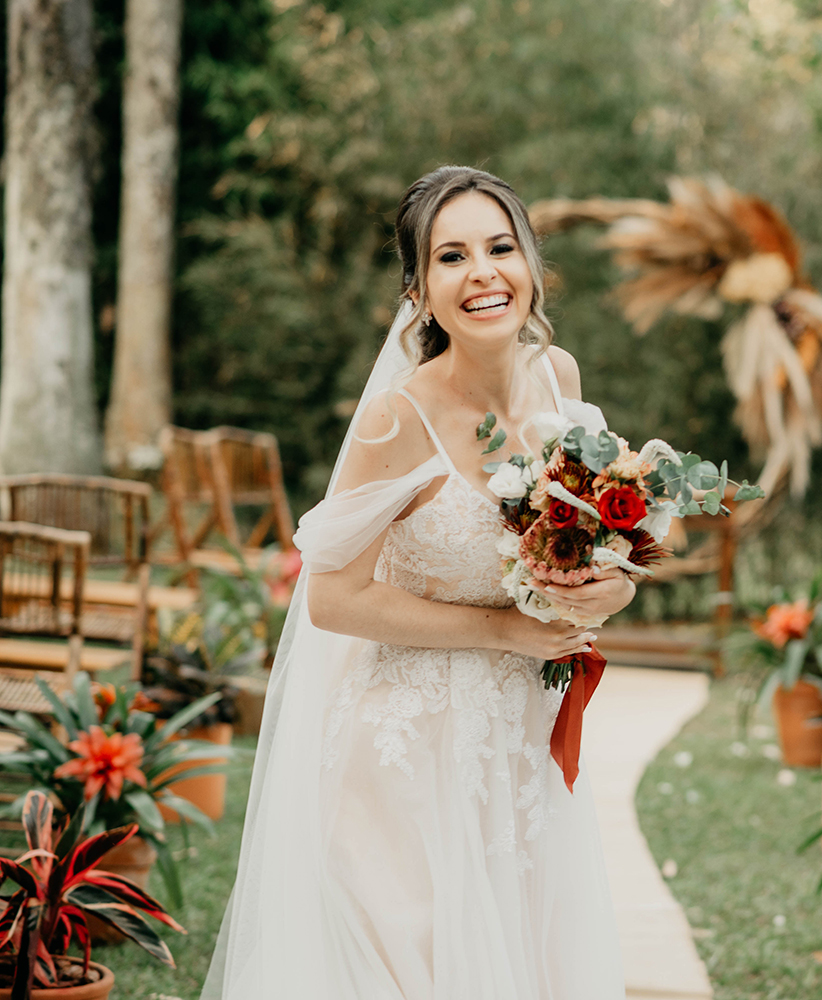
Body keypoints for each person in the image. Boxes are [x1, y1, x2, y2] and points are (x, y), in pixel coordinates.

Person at [203, 166, 629, 1000]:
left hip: (520, 749)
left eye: (501, 247)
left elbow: (595, 555)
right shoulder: (397, 418)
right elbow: (332, 598)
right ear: (419, 290)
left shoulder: (559, 381)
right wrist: (506, 631)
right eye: (452, 256)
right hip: (406, 761)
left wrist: (606, 593)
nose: (483, 273)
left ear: (533, 262)